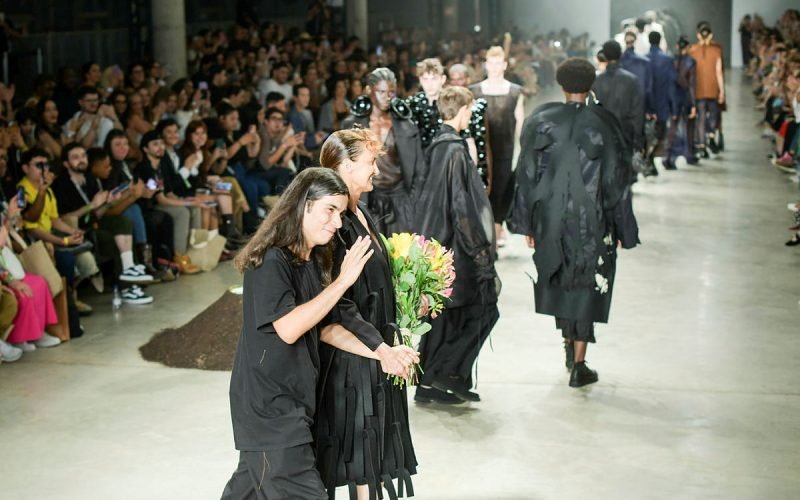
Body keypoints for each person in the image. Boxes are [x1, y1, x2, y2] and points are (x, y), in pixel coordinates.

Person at [221, 167, 375, 500]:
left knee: (249, 488)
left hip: (293, 405)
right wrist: (343, 281)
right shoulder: (270, 262)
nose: (336, 222)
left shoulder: (312, 260)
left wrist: (383, 353)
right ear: (304, 205)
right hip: (271, 412)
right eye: (329, 210)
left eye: (340, 212)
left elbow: (324, 327)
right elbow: (289, 328)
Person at [508, 58, 639, 388]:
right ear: (591, 85)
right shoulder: (606, 123)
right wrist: (624, 227)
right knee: (588, 282)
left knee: (559, 276)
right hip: (594, 219)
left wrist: (525, 223)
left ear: (561, 84)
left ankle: (569, 346)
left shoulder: (542, 119)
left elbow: (525, 173)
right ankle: (579, 360)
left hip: (551, 219)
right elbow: (618, 180)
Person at [316, 129, 420, 500]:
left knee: (373, 460)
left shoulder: (360, 211)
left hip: (376, 350)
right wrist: (379, 348)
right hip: (354, 359)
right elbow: (338, 302)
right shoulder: (336, 222)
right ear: (345, 166)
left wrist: (410, 298)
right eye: (370, 162)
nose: (376, 169)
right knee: (363, 455)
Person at [415, 86, 499, 404]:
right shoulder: (454, 150)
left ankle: (428, 384)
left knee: (443, 318)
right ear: (463, 110)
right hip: (455, 248)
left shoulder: (435, 146)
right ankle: (444, 373)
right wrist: (480, 254)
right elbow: (462, 207)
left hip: (435, 245)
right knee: (485, 308)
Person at [342, 68, 425, 235]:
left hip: (400, 198)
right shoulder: (351, 126)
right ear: (369, 90)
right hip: (366, 199)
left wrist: (414, 200)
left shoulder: (406, 125)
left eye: (391, 92)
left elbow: (418, 168)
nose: (387, 97)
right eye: (381, 91)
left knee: (403, 255)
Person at [469, 45, 524, 247]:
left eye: (497, 63)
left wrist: (524, 147)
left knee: (501, 187)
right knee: (483, 189)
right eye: (490, 63)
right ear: (486, 64)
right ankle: (487, 231)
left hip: (505, 148)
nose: (493, 67)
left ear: (504, 65)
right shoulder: (474, 91)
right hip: (482, 149)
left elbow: (519, 121)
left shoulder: (515, 92)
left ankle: (497, 230)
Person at [593, 40, 645, 173]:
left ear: (604, 55)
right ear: (621, 55)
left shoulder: (596, 81)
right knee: (624, 172)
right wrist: (638, 140)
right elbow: (638, 112)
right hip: (625, 131)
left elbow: (592, 109)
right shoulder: (631, 80)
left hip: (602, 132)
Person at [688, 22, 725, 157]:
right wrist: (722, 91)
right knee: (713, 115)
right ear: (711, 35)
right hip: (712, 89)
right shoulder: (716, 50)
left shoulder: (692, 51)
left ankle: (702, 144)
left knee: (701, 117)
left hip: (698, 90)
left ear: (698, 35)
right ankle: (709, 136)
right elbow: (718, 72)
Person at [664, 35, 699, 169]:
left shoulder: (670, 61)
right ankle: (689, 155)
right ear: (688, 47)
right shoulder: (691, 62)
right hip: (685, 97)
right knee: (689, 126)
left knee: (672, 128)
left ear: (677, 46)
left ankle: (668, 157)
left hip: (672, 97)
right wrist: (694, 105)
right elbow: (691, 85)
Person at [645, 31, 677, 174]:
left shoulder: (643, 59)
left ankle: (648, 159)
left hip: (646, 103)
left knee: (647, 134)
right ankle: (650, 158)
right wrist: (674, 106)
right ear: (660, 41)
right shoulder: (667, 60)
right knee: (661, 133)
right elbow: (671, 85)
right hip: (662, 102)